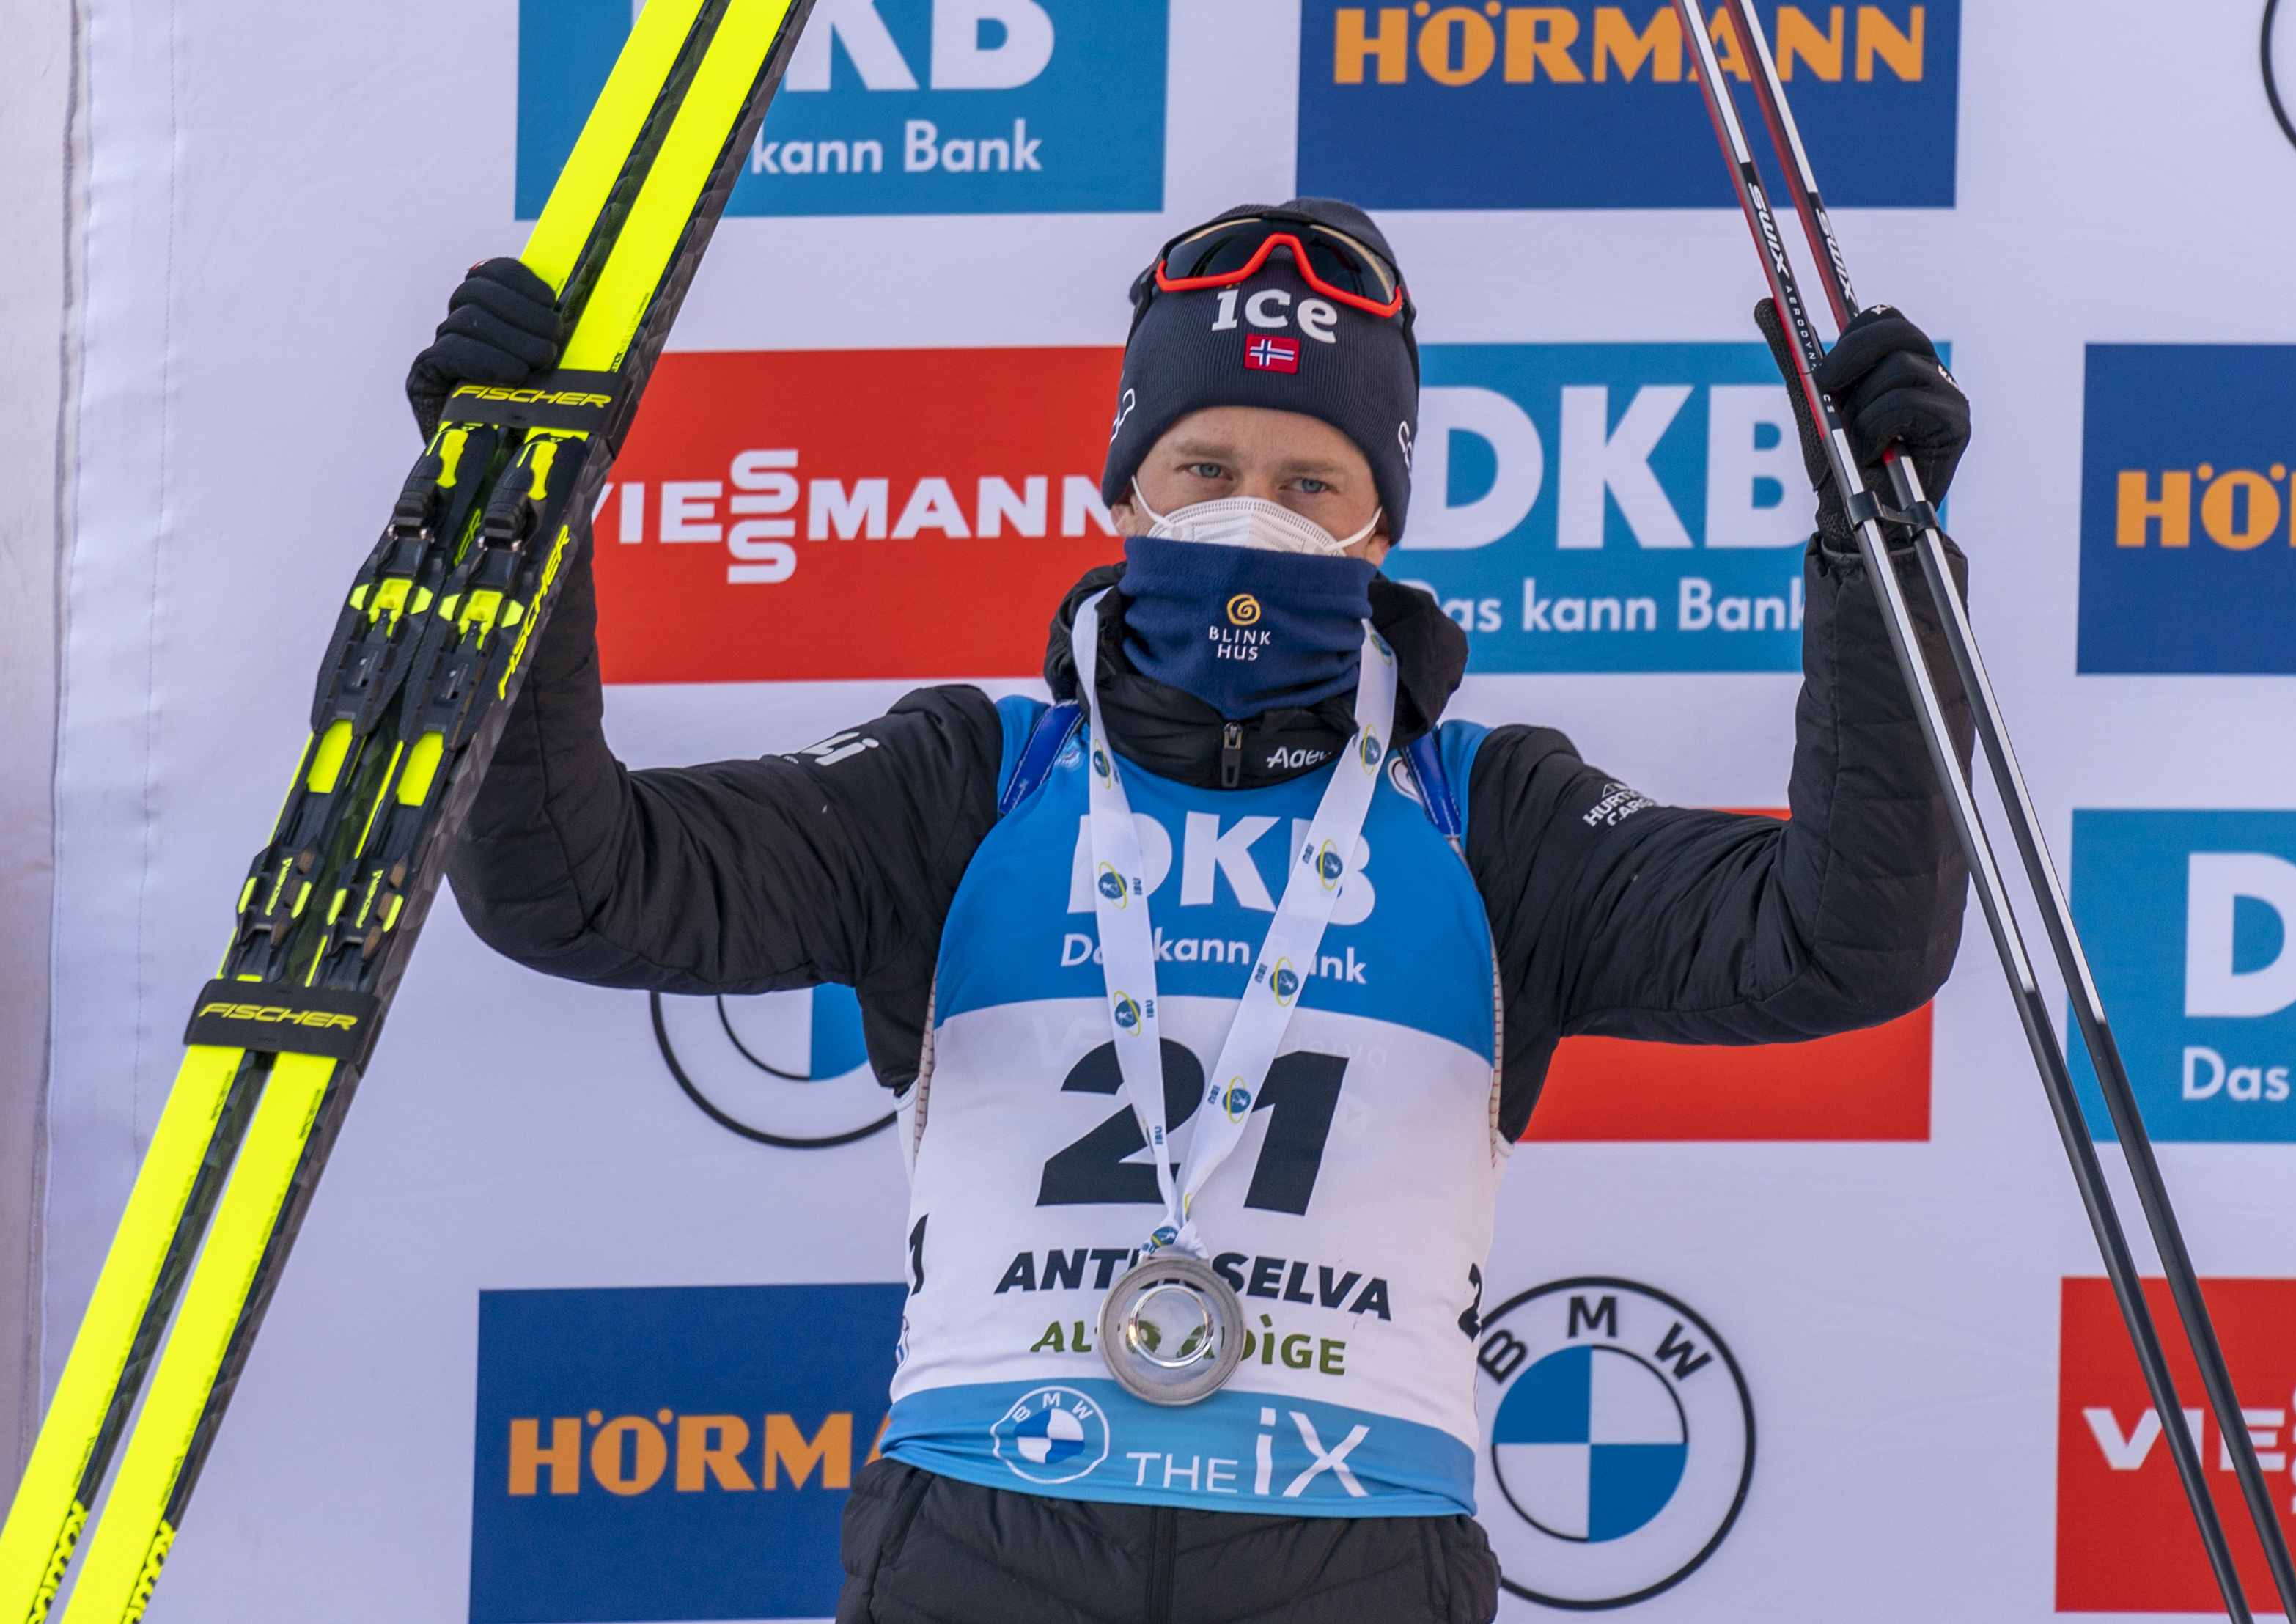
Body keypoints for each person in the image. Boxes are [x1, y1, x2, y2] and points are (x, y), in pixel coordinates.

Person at [417, 199, 1973, 1623]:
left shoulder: (1492, 816)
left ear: (1382, 523)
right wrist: (514, 513)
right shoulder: (965, 781)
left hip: (1351, 1551)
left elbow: (1845, 937)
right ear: (1124, 484)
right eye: (1206, 471)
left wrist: (1881, 566)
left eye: (1311, 482)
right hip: (985, 1538)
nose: (1255, 519)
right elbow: (575, 881)